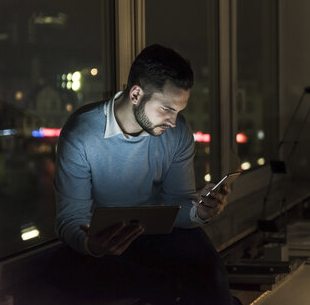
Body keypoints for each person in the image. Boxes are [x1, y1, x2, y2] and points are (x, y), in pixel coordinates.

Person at [52, 44, 240, 305]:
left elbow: (179, 206)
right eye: (167, 109)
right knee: (151, 284)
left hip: (157, 234)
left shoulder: (176, 133)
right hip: (101, 241)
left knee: (210, 269)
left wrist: (200, 211)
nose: (174, 122)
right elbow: (70, 217)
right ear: (136, 94)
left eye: (179, 111)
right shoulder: (82, 133)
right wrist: (92, 244)